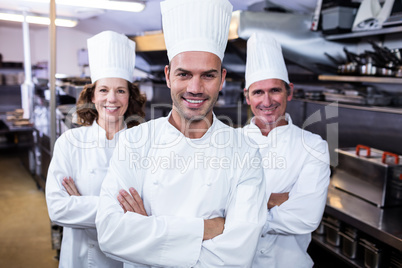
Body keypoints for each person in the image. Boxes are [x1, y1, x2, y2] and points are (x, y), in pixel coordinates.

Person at [95, 0, 266, 267]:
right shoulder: (134, 141)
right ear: (168, 76)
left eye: (207, 76)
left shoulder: (245, 152)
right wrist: (206, 229)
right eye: (184, 74)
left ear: (222, 79)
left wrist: (147, 228)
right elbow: (110, 233)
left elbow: (237, 254)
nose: (195, 88)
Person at [45, 30, 146, 268]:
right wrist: (123, 209)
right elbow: (58, 209)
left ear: (129, 97)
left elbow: (152, 209)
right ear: (92, 95)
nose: (112, 98)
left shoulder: (143, 143)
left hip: (130, 257)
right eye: (103, 90)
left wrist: (82, 205)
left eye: (120, 90)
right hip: (82, 257)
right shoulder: (69, 143)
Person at [241, 32, 331, 268]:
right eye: (258, 92)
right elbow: (210, 205)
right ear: (247, 97)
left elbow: (305, 217)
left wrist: (241, 209)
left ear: (289, 91)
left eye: (275, 90)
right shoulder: (230, 142)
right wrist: (272, 200)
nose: (267, 101)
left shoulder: (313, 147)